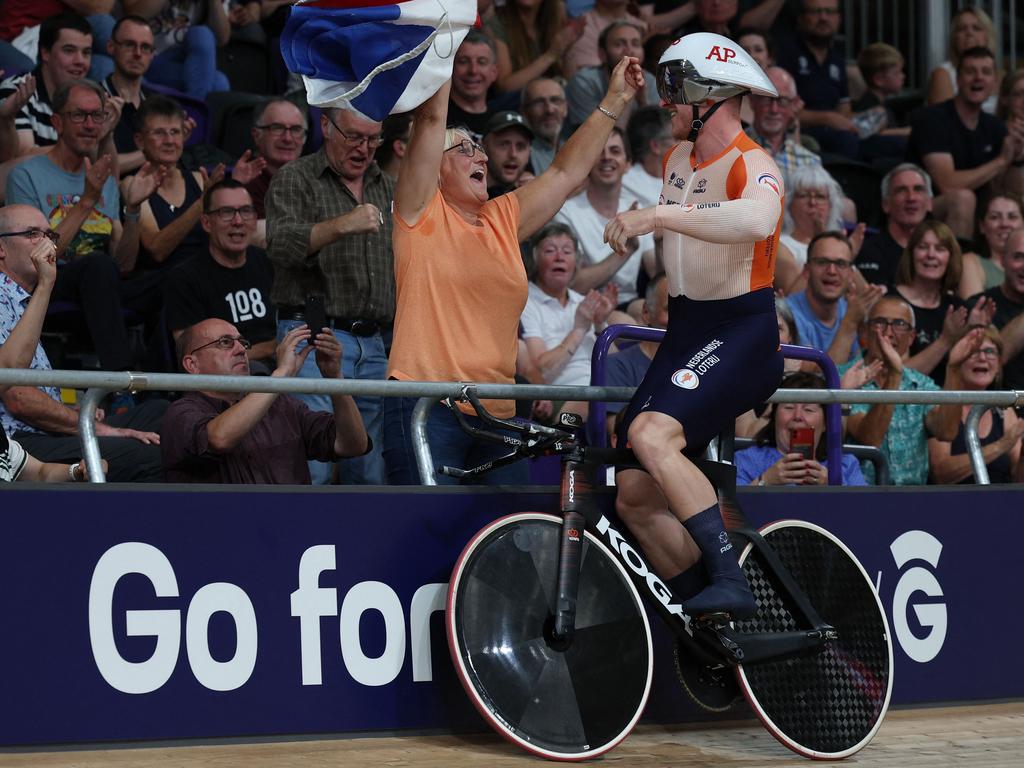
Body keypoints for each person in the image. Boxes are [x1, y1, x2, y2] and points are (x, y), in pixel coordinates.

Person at [384, 55, 645, 485]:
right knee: (424, 540)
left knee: (515, 544)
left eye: (479, 147)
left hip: (498, 412)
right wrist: (446, 46)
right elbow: (431, 120)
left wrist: (615, 98)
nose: (478, 155)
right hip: (426, 406)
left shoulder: (502, 217)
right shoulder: (418, 212)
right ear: (434, 167)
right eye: (462, 149)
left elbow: (565, 172)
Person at [602, 33, 784, 618]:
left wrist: (654, 213)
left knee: (654, 436)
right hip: (688, 327)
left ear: (710, 96)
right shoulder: (677, 158)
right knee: (632, 492)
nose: (665, 103)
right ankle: (706, 620)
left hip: (741, 328)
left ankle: (731, 579)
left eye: (673, 90)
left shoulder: (754, 162)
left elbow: (757, 217)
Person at [265, 104, 394, 486]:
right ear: (326, 126)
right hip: (312, 330)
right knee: (313, 462)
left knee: (369, 467)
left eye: (373, 139)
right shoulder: (296, 177)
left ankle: (364, 544)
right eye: (354, 137)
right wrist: (343, 225)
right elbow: (280, 244)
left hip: (373, 340)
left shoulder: (387, 186)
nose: (364, 148)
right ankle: (297, 542)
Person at [0, 203, 166, 482]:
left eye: (50, 236)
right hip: (19, 444)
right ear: (1, 248)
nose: (45, 244)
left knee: (163, 414)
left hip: (45, 430)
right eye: (32, 234)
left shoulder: (23, 299)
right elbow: (18, 397)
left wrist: (75, 414)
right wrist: (97, 428)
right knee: (149, 452)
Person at [5, 79, 160, 371]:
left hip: (102, 284)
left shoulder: (106, 180)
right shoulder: (26, 174)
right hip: (47, 284)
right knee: (98, 266)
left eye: (97, 116)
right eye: (79, 115)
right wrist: (88, 199)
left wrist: (134, 210)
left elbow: (124, 265)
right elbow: (33, 259)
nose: (90, 124)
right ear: (57, 122)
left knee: (172, 279)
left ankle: (165, 388)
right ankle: (119, 383)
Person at [161, 318, 368, 483]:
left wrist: (335, 379)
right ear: (192, 364)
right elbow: (219, 438)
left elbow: (353, 445)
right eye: (225, 343)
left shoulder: (281, 405)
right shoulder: (180, 413)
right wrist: (281, 375)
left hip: (291, 527)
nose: (242, 350)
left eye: (242, 342)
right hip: (223, 531)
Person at [842, 295, 967, 485]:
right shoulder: (843, 378)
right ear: (864, 332)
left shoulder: (920, 383)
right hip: (861, 497)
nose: (888, 332)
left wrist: (954, 369)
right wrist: (894, 375)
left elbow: (946, 431)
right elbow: (870, 438)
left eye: (899, 324)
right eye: (880, 322)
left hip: (914, 501)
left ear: (911, 338)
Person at [907, 46, 1024, 240]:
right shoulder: (933, 119)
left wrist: (1018, 157)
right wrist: (1001, 161)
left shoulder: (995, 126)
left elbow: (1008, 191)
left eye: (986, 72)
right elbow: (947, 184)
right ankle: (958, 269)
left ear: (994, 82)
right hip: (925, 208)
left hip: (978, 212)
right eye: (971, 71)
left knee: (1007, 207)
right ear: (958, 80)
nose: (978, 77)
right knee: (963, 199)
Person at [163, 180, 277, 364]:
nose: (238, 221)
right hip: (230, 379)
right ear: (207, 223)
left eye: (246, 211)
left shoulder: (269, 262)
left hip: (281, 369)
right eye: (227, 212)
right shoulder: (184, 278)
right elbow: (194, 356)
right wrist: (270, 348)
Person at [520, 221, 617, 419]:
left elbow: (616, 363)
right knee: (596, 401)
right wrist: (579, 329)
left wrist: (600, 323)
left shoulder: (583, 302)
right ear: (535, 260)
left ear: (576, 263)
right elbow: (541, 369)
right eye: (550, 251)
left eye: (567, 251)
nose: (559, 257)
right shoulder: (526, 302)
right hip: (562, 394)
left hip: (601, 387)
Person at [556, 127, 655, 312]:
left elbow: (655, 272)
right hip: (582, 307)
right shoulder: (566, 213)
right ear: (587, 162)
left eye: (615, 151)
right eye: (599, 151)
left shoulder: (636, 209)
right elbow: (573, 284)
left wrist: (661, 239)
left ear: (628, 164)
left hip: (630, 304)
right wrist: (627, 251)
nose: (607, 157)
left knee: (652, 310)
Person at [891, 220, 994, 384]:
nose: (931, 255)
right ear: (911, 254)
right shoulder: (892, 305)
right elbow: (896, 379)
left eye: (940, 249)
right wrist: (946, 340)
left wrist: (974, 332)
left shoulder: (959, 308)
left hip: (950, 405)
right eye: (923, 247)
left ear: (950, 258)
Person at [736, 371, 867, 486]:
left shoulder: (846, 465)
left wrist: (832, 487)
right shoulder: (746, 460)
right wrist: (765, 481)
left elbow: (865, 512)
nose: (797, 416)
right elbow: (728, 509)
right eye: (789, 407)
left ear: (826, 423)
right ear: (774, 417)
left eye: (808, 409)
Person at [928, 326, 1024, 484]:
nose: (982, 358)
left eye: (990, 352)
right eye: (973, 352)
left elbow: (1018, 479)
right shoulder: (941, 406)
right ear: (957, 358)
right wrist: (1000, 446)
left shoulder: (1005, 411)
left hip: (1000, 504)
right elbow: (941, 472)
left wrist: (1022, 456)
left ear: (999, 366)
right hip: (952, 503)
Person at [775, 0, 858, 160]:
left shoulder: (837, 59)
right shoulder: (786, 54)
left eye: (830, 12)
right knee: (846, 142)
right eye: (816, 12)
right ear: (801, 18)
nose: (823, 18)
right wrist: (828, 118)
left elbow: (844, 107)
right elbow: (778, 109)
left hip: (836, 134)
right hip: (799, 131)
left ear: (839, 18)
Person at [565, 20, 660, 133]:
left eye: (635, 44)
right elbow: (596, 140)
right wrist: (626, 95)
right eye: (619, 44)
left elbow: (655, 137)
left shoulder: (650, 80)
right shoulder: (584, 82)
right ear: (602, 54)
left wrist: (643, 103)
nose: (629, 51)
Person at [123, 0, 230, 100]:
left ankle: (194, 107)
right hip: (146, 58)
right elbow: (134, 14)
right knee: (219, 82)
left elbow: (222, 39)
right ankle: (196, 109)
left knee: (202, 33)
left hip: (185, 60)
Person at [604, 271, 669, 436]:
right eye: (670, 309)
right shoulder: (617, 366)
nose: (680, 318)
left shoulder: (702, 362)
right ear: (646, 313)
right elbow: (615, 433)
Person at [855, 163, 933, 288]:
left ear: (930, 203)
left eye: (918, 189)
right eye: (901, 190)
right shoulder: (869, 250)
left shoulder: (941, 254)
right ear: (886, 204)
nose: (911, 198)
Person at [744, 66, 822, 190]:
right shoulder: (733, 149)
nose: (774, 109)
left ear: (794, 104)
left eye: (782, 101)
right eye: (766, 99)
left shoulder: (809, 162)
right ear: (752, 101)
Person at [243, 98, 307, 249]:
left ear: (305, 138)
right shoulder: (245, 182)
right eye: (277, 128)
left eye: (296, 129)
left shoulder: (316, 178)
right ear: (256, 134)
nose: (287, 138)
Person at [100, 15, 155, 176]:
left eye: (145, 47)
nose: (138, 54)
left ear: (152, 55)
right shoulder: (94, 99)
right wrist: (154, 152)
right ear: (111, 47)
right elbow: (96, 165)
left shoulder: (157, 103)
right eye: (129, 45)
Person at [486, 0, 579, 94]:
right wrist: (550, 55)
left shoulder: (551, 21)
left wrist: (568, 48)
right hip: (515, 104)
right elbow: (504, 87)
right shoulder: (496, 25)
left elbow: (571, 85)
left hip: (552, 99)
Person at [926, 5, 999, 115]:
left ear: (988, 35)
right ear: (954, 37)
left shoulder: (1000, 74)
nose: (969, 33)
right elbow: (943, 122)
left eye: (976, 28)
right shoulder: (943, 74)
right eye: (961, 29)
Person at [563, 0, 648, 79]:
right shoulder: (580, 27)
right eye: (618, 44)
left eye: (635, 44)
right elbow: (587, 81)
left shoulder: (643, 27)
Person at [779, 164, 843, 267]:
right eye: (803, 195)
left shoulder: (840, 246)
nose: (813, 202)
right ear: (789, 204)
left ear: (831, 206)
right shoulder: (780, 245)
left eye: (820, 196)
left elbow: (861, 284)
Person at [961, 193, 1024, 293]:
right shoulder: (971, 263)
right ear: (982, 226)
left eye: (1012, 217)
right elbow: (975, 307)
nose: (1004, 224)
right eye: (995, 217)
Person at [448, 29, 499, 138]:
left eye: (481, 62)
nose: (473, 71)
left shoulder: (501, 121)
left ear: (494, 72)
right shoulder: (436, 117)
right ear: (450, 68)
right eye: (463, 61)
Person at [622, 105, 673, 209]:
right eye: (676, 138)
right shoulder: (624, 182)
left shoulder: (688, 178)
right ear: (655, 146)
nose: (684, 143)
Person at [520, 77, 567, 176]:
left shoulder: (574, 148)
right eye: (539, 102)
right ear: (524, 112)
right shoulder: (519, 153)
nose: (549, 110)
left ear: (566, 108)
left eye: (555, 100)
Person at [481, 111, 532, 199]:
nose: (513, 154)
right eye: (504, 145)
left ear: (529, 153)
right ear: (484, 147)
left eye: (520, 146)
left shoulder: (534, 197)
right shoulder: (465, 196)